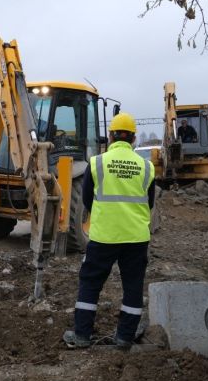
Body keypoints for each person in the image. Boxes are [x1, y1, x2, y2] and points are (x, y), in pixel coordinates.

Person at [63, 112, 156, 350]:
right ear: (134, 139)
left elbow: (86, 199)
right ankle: (124, 337)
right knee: (133, 287)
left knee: (90, 283)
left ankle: (82, 336)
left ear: (112, 136)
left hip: (104, 236)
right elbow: (150, 202)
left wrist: (106, 217)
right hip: (136, 238)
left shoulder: (97, 163)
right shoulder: (146, 167)